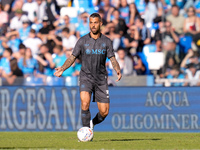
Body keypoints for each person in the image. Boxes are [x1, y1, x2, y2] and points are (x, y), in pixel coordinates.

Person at [54, 13, 122, 131]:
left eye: (96, 22)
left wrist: (117, 69)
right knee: (85, 103)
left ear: (100, 24)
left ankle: (92, 123)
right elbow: (72, 57)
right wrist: (62, 68)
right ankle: (86, 131)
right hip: (86, 77)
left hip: (101, 79)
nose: (93, 25)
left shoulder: (106, 41)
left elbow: (112, 58)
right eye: (91, 22)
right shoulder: (82, 41)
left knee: (104, 112)